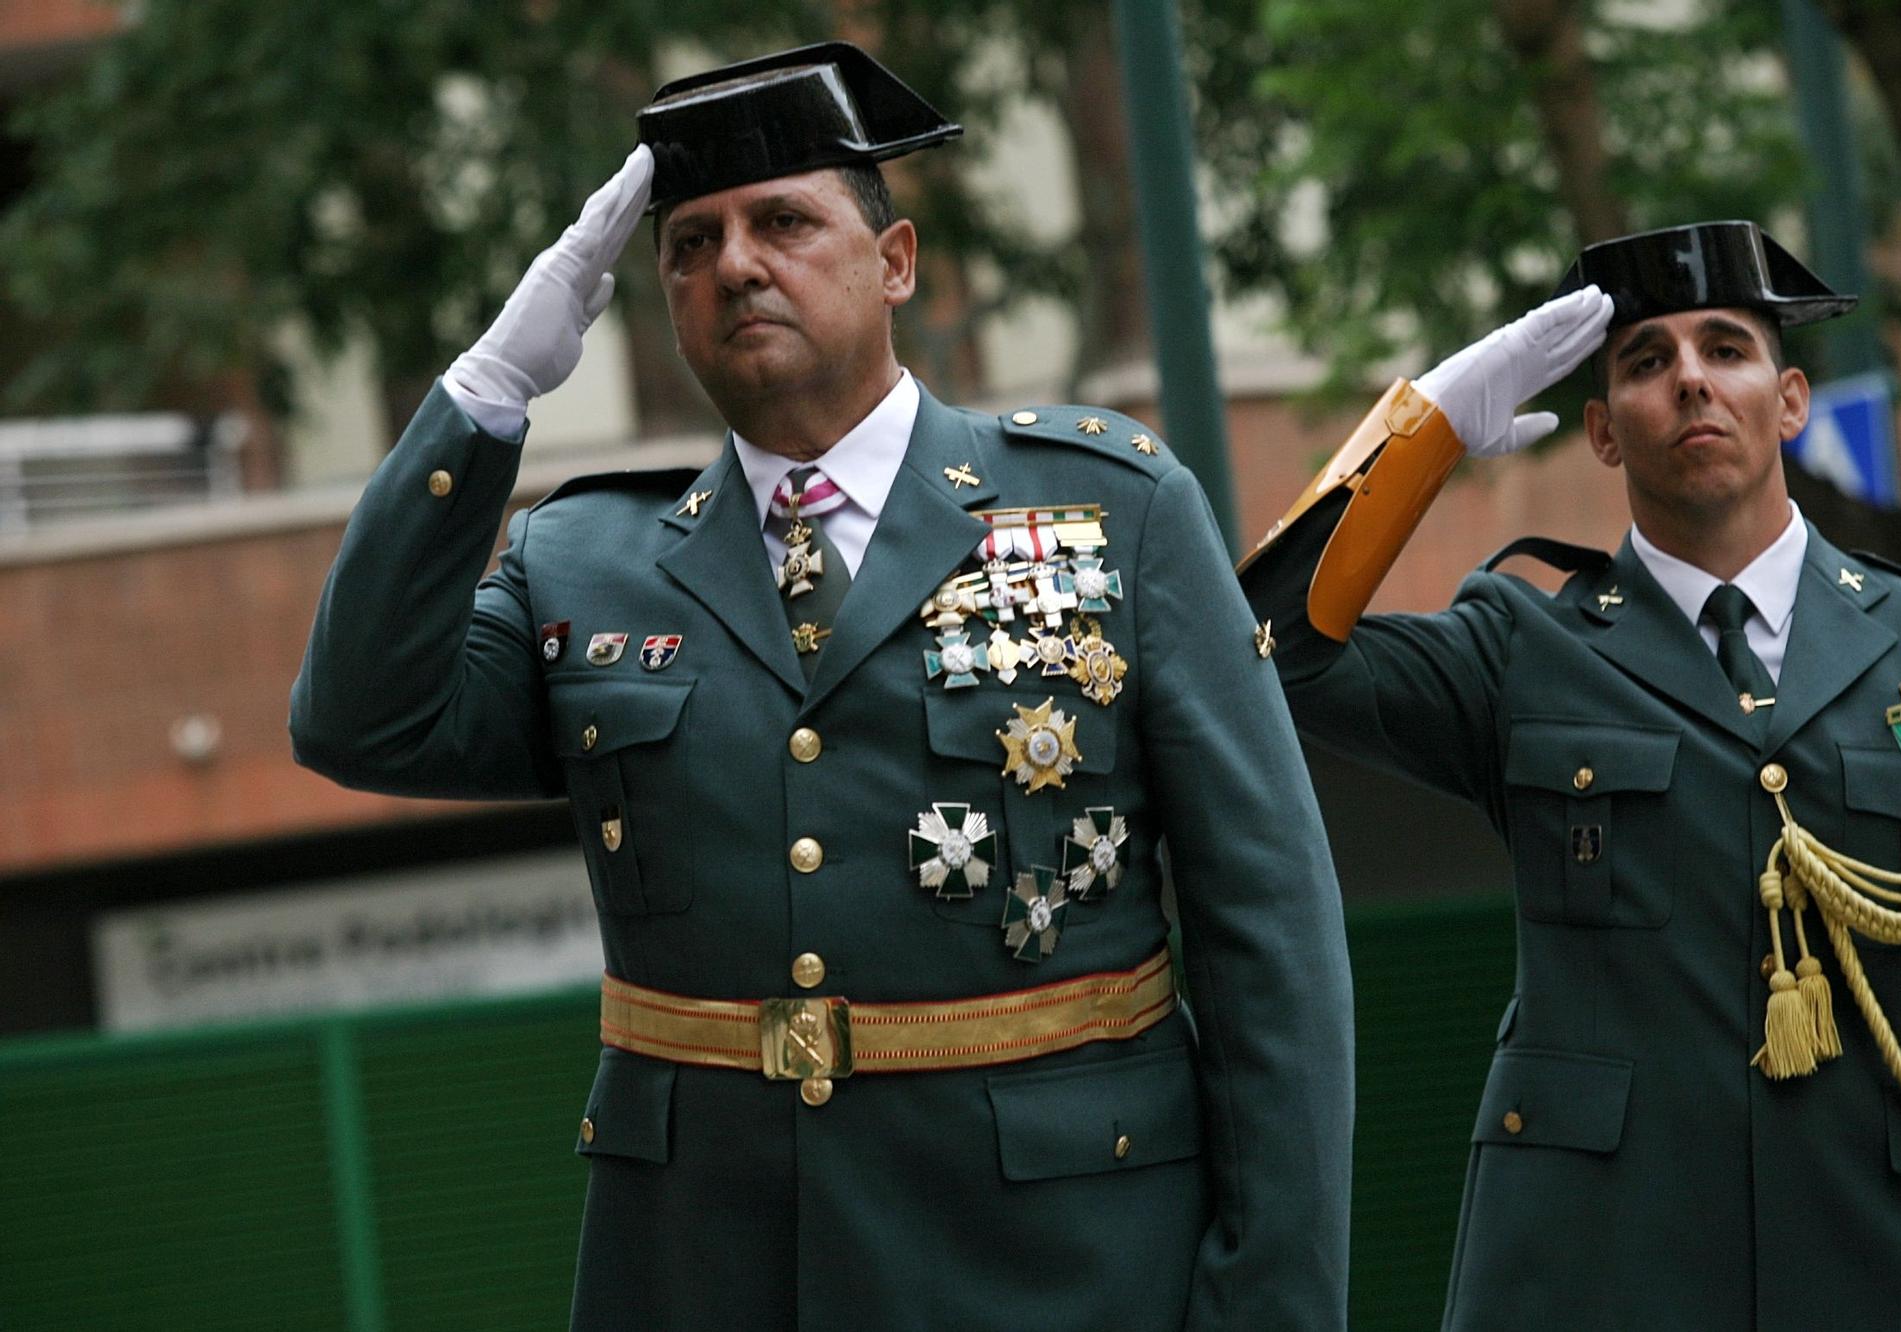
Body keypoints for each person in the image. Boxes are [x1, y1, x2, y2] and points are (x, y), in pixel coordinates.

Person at [291, 42, 1353, 1331]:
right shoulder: (582, 560)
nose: (735, 264)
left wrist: (1268, 1306)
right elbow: (359, 720)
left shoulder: (1111, 509)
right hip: (708, 1270)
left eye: (782, 222)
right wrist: (486, 396)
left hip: (1061, 1263)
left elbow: (1271, 945)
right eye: (688, 245)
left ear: (894, 261)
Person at [1239, 220, 1901, 1329]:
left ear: (1787, 401)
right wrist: (1428, 428)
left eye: (1724, 349)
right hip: (1606, 1265)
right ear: (1598, 430)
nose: (1689, 380)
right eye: (1646, 363)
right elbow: (1266, 645)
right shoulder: (1519, 649)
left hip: (1897, 1260)